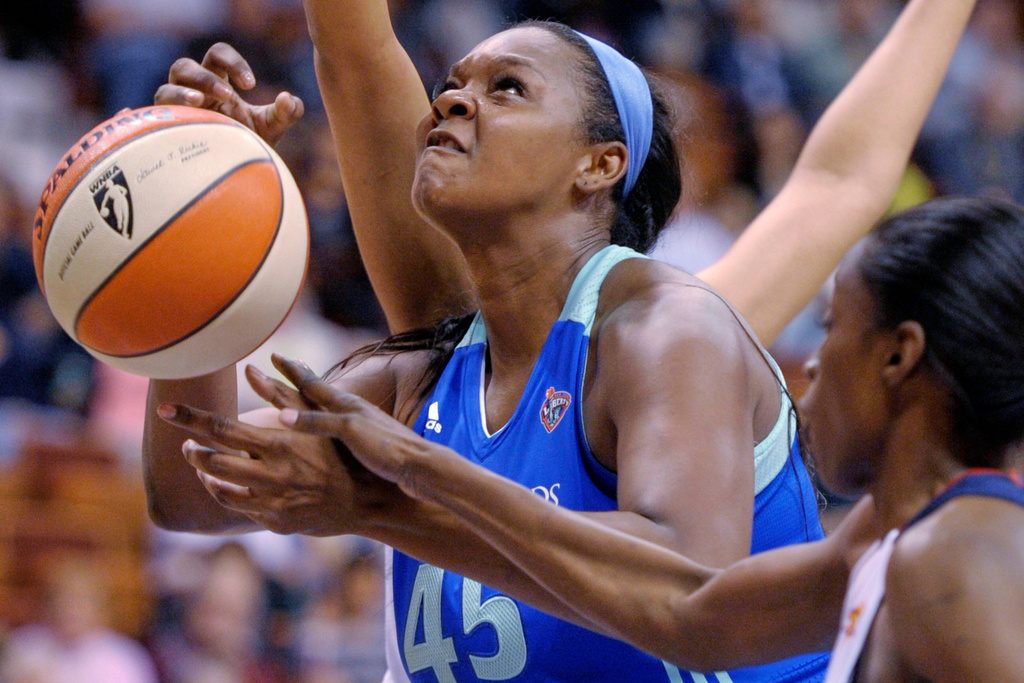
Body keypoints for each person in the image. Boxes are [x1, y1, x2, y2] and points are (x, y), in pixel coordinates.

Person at [146, 0, 976, 681]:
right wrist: (200, 233)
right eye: (451, 85)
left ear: (599, 164)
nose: (450, 102)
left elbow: (688, 584)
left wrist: (391, 498)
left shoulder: (665, 329)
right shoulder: (426, 375)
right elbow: (189, 489)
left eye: (508, 87)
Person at [271, 195, 1024, 683]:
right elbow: (687, 613)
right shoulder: (886, 537)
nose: (815, 361)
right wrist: (396, 489)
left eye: (836, 331)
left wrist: (412, 473)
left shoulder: (957, 554)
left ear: (899, 355)